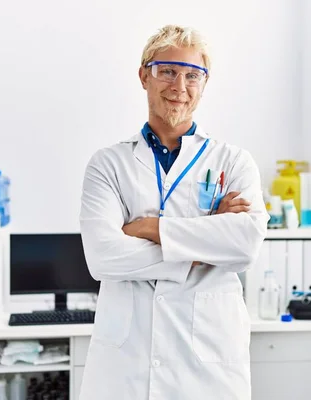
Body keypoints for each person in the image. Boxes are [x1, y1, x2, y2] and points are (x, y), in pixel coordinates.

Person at [78, 24, 269, 400]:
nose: (179, 86)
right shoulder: (107, 164)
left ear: (204, 83)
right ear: (144, 76)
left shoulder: (234, 161)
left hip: (207, 365)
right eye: (167, 71)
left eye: (192, 75)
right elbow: (103, 257)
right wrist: (203, 242)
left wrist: (148, 227)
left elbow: (245, 245)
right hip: (126, 364)